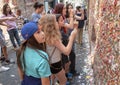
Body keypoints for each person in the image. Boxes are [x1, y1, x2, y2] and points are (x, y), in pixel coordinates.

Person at [38, 14, 77, 85]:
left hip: (48, 61)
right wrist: (72, 37)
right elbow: (67, 52)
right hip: (56, 63)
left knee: (52, 76)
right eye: (56, 21)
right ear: (51, 25)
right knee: (63, 80)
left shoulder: (43, 35)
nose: (57, 22)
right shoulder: (53, 38)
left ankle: (52, 83)